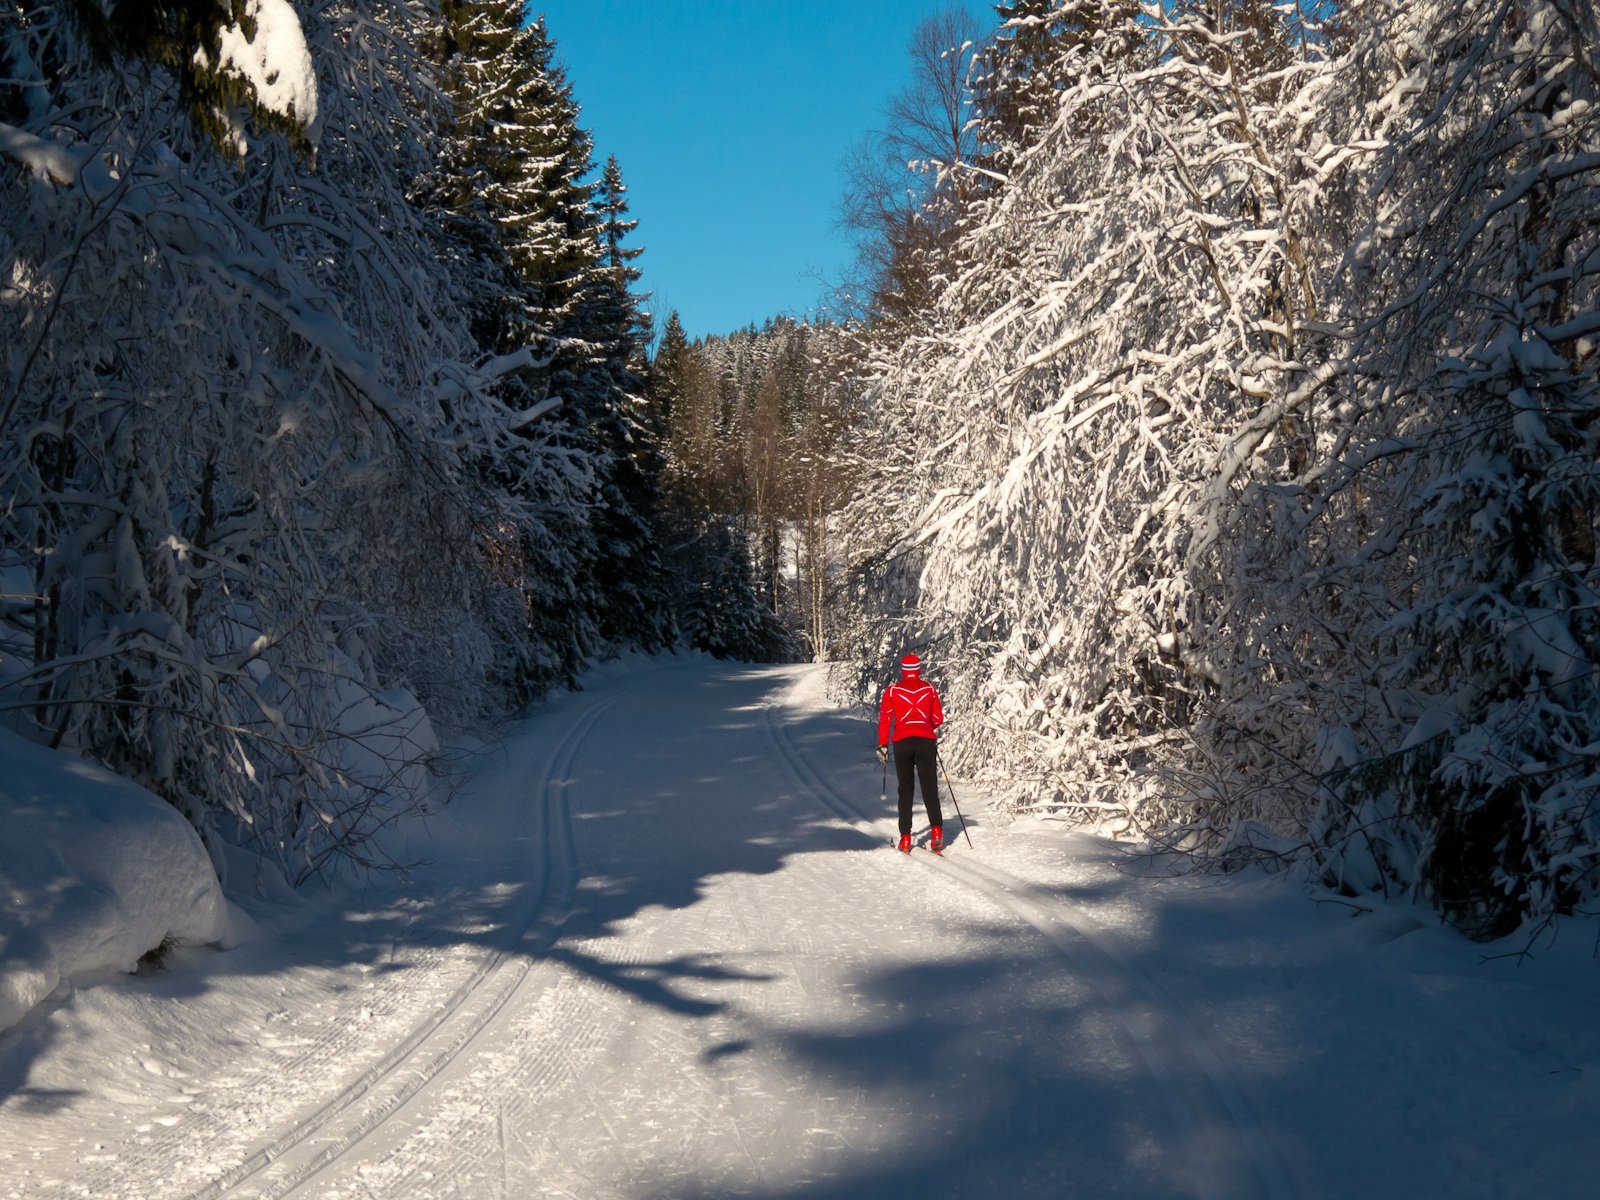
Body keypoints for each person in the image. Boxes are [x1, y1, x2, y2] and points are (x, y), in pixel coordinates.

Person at [877, 652, 945, 853]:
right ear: (919, 669)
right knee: (930, 788)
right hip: (925, 742)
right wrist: (925, 726)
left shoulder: (892, 691)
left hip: (902, 743)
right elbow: (938, 718)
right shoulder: (929, 689)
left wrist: (882, 745)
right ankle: (936, 832)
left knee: (905, 790)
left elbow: (885, 719)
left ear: (903, 670)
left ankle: (905, 838)